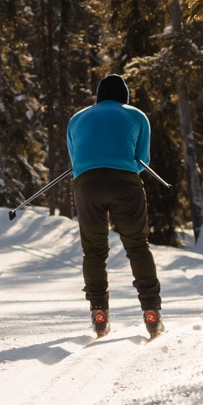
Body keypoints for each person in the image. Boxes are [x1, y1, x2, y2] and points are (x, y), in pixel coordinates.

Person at [66, 74, 163, 338]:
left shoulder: (77, 118)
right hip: (125, 182)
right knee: (137, 246)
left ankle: (99, 312)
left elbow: (75, 161)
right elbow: (142, 160)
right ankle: (151, 312)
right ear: (125, 97)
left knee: (94, 251)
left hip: (86, 184)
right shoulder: (137, 115)